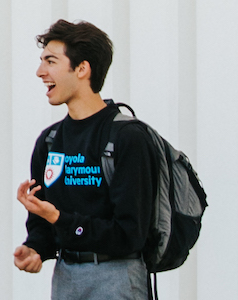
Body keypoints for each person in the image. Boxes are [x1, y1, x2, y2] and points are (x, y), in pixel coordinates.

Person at [13, 19, 158, 299]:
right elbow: (42, 223)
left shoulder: (129, 137)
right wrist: (35, 249)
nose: (40, 72)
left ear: (82, 68)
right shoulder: (50, 141)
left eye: (50, 61)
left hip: (118, 279)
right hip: (66, 277)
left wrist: (58, 218)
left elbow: (129, 234)